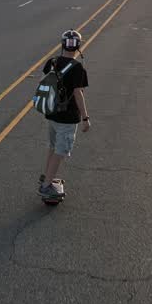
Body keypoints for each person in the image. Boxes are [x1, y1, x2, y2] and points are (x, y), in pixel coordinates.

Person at [38, 29, 91, 201]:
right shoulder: (77, 68)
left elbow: (46, 78)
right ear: (78, 46)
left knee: (53, 147)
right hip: (68, 118)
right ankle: (46, 187)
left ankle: (47, 176)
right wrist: (85, 118)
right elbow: (78, 93)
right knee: (60, 151)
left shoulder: (52, 62)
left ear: (62, 45)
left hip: (52, 114)